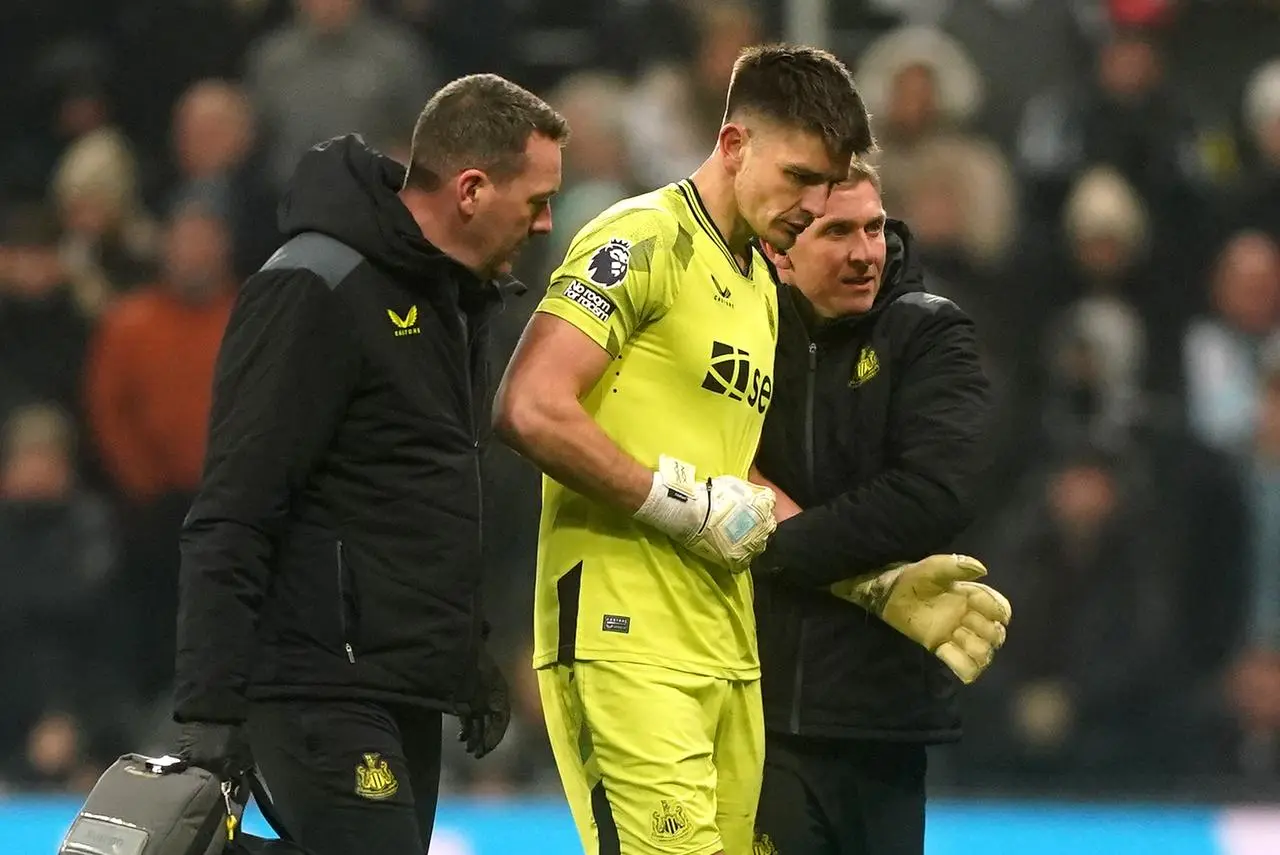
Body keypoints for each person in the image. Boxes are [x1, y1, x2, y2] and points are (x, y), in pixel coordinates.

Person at [169, 74, 568, 855]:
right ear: (472, 189)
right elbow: (236, 504)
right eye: (537, 199)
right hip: (317, 679)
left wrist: (465, 660)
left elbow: (419, 496)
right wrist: (207, 708)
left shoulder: (458, 304)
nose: (547, 221)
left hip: (398, 685)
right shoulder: (315, 283)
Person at [494, 44, 874, 855]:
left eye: (828, 184)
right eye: (800, 177)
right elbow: (529, 406)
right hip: (622, 633)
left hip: (727, 648)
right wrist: (678, 503)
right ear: (735, 144)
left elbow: (733, 480)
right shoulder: (642, 237)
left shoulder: (758, 287)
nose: (812, 205)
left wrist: (875, 581)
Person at [748, 159, 1005, 855]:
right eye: (837, 232)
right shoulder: (740, 332)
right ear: (779, 249)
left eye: (874, 228)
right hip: (755, 709)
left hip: (883, 720)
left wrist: (772, 544)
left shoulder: (928, 332)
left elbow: (935, 495)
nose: (866, 251)